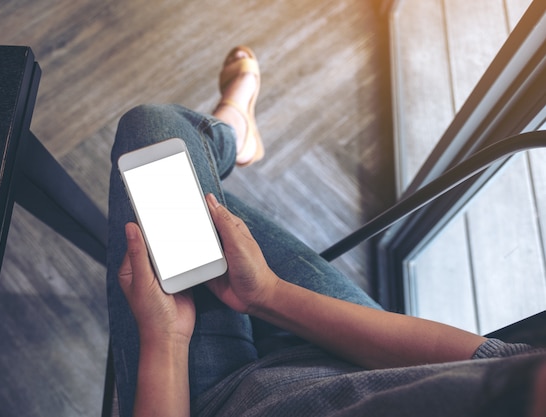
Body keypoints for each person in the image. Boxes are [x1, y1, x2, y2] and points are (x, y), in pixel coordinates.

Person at [106, 46, 546, 417]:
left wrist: (165, 338)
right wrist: (268, 294)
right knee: (159, 141)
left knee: (155, 140)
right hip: (348, 356)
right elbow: (480, 358)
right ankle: (236, 132)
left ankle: (234, 129)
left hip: (215, 402)